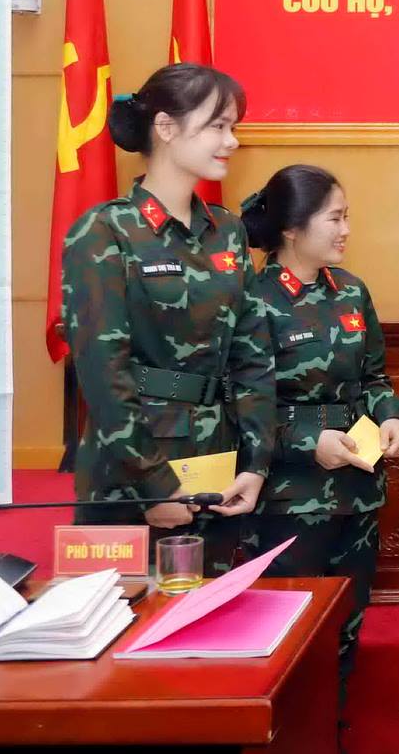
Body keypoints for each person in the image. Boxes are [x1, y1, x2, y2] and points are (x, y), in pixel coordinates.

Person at [62, 63, 275, 573]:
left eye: (234, 126)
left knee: (206, 622)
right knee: (126, 627)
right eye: (218, 126)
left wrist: (257, 463)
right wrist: (153, 485)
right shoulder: (105, 230)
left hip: (216, 466)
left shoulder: (227, 231)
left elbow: (252, 356)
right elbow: (103, 374)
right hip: (132, 470)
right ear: (165, 128)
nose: (232, 141)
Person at [239, 164, 399, 709]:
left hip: (357, 494)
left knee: (347, 625)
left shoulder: (352, 292)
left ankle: (331, 726)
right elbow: (240, 402)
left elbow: (375, 377)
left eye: (346, 217)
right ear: (292, 228)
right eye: (334, 218)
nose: (345, 230)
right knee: (288, 632)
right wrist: (309, 440)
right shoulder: (253, 299)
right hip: (290, 500)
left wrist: (391, 417)